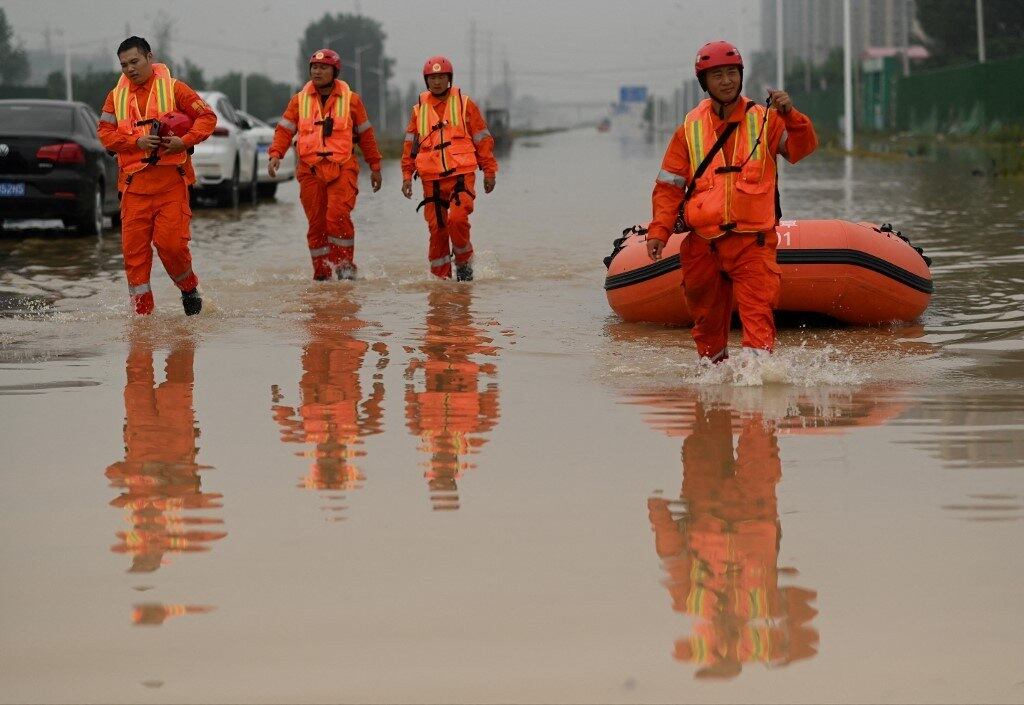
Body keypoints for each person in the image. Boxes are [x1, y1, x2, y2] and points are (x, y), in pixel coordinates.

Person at [646, 40, 818, 362]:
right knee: (707, 325)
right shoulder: (689, 128)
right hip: (703, 244)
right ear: (704, 83)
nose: (726, 81)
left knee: (758, 314)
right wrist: (659, 231)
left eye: (731, 73)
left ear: (740, 76)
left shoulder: (766, 119)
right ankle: (713, 386)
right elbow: (669, 186)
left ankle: (757, 390)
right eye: (717, 76)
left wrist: (791, 115)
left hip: (751, 243)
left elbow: (800, 149)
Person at [98, 36, 216, 316]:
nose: (129, 69)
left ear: (149, 57)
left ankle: (189, 289)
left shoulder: (174, 88)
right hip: (133, 187)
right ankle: (142, 323)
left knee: (171, 245)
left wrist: (185, 141)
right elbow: (105, 134)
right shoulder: (115, 96)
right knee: (134, 257)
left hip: (170, 183)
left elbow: (207, 117)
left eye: (135, 61)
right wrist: (134, 143)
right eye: (124, 64)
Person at [268, 49, 382, 281]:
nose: (317, 72)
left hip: (342, 167)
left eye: (323, 68)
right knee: (317, 224)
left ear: (335, 72)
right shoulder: (298, 100)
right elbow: (284, 130)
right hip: (310, 170)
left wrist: (375, 166)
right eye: (314, 67)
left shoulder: (352, 100)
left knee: (337, 216)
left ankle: (345, 268)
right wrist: (276, 153)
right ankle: (321, 274)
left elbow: (366, 136)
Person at [401, 56, 498, 281]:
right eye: (432, 78)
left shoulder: (465, 104)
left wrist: (489, 171)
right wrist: (406, 175)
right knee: (437, 229)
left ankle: (464, 264)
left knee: (457, 220)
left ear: (449, 79)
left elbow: (482, 139)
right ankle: (439, 281)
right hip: (431, 180)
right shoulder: (419, 111)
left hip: (461, 176)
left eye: (441, 77)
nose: (437, 82)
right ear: (427, 81)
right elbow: (409, 146)